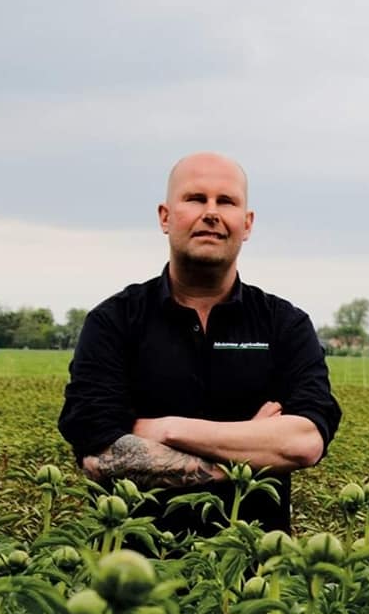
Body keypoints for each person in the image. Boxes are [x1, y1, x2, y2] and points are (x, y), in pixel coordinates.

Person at [58, 152, 341, 536]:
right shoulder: (114, 321)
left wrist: (167, 428)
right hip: (133, 577)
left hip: (254, 577)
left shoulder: (285, 325)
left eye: (226, 201)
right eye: (195, 199)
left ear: (247, 223)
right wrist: (245, 459)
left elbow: (303, 441)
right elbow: (102, 455)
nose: (212, 212)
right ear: (164, 216)